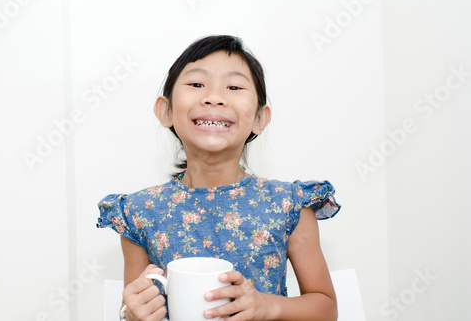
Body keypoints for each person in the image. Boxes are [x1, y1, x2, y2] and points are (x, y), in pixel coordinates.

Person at [97, 35, 341, 321]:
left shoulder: (290, 205)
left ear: (260, 119)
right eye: (196, 84)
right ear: (166, 111)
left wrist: (267, 306)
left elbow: (326, 308)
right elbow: (137, 303)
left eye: (234, 87)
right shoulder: (138, 212)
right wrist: (132, 314)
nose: (214, 97)